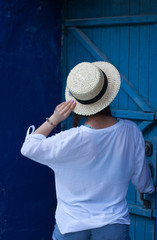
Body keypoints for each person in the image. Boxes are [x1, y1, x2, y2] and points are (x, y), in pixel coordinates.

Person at [21, 62, 154, 240]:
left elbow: (28, 148)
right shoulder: (131, 131)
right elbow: (143, 183)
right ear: (108, 95)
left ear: (76, 103)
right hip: (113, 227)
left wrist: (54, 118)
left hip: (71, 227)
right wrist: (149, 189)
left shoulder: (67, 139)